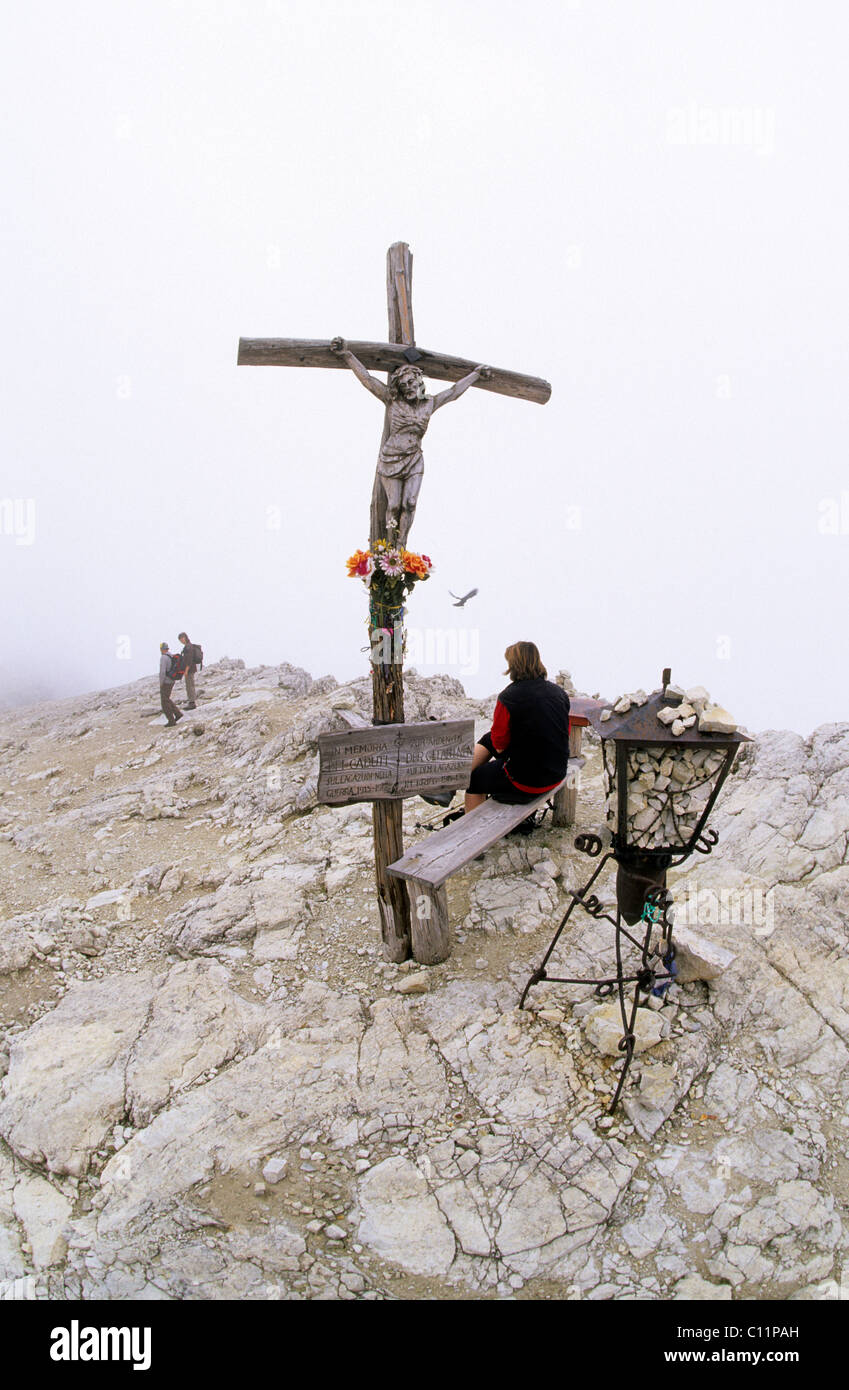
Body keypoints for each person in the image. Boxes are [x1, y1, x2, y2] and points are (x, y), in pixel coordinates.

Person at [330, 337, 490, 546]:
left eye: (411, 382)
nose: (408, 387)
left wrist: (475, 374)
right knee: (394, 505)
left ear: (419, 381)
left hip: (414, 457)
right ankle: (390, 549)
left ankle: (401, 545)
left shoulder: (429, 403)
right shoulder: (392, 400)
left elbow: (453, 392)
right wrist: (347, 354)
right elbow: (367, 379)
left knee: (410, 503)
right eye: (403, 384)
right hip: (391, 458)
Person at [464, 642, 571, 814]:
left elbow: (499, 745)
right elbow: (563, 732)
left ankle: (468, 832)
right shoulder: (559, 693)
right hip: (556, 773)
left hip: (526, 782)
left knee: (474, 780)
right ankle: (451, 786)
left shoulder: (508, 697)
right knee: (489, 738)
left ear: (513, 665)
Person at [158, 643, 183, 726]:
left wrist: (161, 683)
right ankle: (178, 714)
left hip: (166, 682)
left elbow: (162, 672)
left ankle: (171, 721)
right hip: (172, 680)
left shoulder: (163, 658)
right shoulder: (171, 656)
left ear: (162, 649)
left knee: (164, 701)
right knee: (167, 698)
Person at [178, 631, 200, 709]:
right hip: (191, 668)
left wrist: (186, 670)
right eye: (180, 640)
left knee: (189, 685)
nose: (181, 641)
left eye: (181, 639)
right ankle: (191, 701)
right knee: (190, 685)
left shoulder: (188, 646)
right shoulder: (188, 646)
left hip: (190, 669)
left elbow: (189, 659)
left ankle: (192, 703)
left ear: (184, 638)